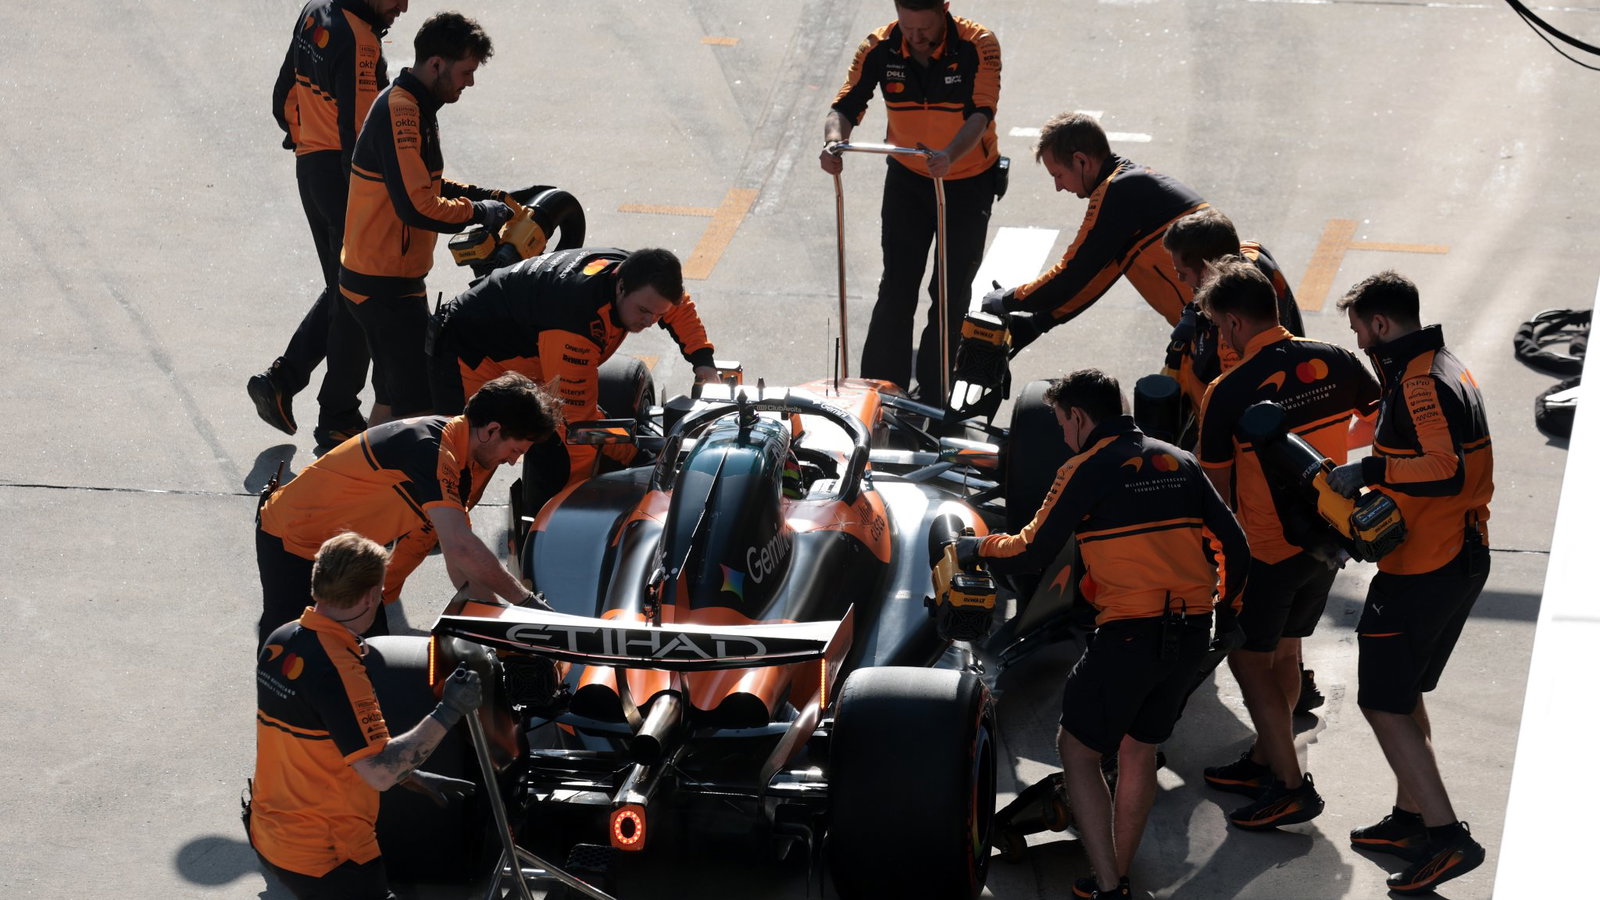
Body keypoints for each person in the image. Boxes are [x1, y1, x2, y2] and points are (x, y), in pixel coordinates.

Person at [954, 369, 1248, 900]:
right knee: (1139, 750)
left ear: (1079, 416)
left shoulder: (1085, 468)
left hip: (1129, 634)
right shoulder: (1178, 460)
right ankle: (1114, 876)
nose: (1063, 435)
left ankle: (1111, 886)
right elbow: (1235, 544)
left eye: (1061, 423)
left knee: (1077, 750)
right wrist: (1225, 616)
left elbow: (1032, 549)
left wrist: (978, 548)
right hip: (1191, 632)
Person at [1190, 260, 1380, 831]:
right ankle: (1264, 757)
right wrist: (1333, 454)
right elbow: (1382, 419)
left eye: (1217, 327)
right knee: (1288, 651)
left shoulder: (1229, 391)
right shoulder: (1337, 359)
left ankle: (1290, 787)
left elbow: (1214, 492)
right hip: (1326, 542)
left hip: (1266, 554)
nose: (1219, 338)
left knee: (1250, 662)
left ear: (1232, 322)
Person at [1325, 271, 1493, 895]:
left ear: (1381, 323)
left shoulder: (1421, 382)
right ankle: (1409, 818)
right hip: (1459, 554)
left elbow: (1444, 469)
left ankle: (1448, 839)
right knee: (1405, 693)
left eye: (1360, 332)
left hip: (1426, 565)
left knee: (1382, 703)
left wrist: (1370, 469)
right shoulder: (1449, 366)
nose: (1360, 344)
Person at [247, 532, 483, 900]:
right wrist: (449, 710)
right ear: (372, 596)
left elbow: (319, 741)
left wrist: (410, 773)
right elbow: (380, 773)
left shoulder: (281, 639)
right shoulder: (339, 669)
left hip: (272, 835)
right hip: (331, 856)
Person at [255, 372, 558, 647]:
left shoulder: (465, 464)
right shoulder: (431, 449)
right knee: (285, 657)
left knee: (369, 666)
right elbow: (461, 546)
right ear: (492, 430)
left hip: (347, 558)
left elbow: (461, 564)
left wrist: (503, 633)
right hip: (292, 541)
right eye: (515, 451)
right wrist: (526, 603)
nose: (512, 462)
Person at [427, 247, 717, 514]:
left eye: (658, 314)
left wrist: (703, 360)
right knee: (471, 461)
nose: (650, 321)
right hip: (469, 354)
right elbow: (580, 424)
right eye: (643, 311)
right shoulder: (576, 323)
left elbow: (678, 306)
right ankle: (434, 532)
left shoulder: (637, 275)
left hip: (529, 349)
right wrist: (639, 455)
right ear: (620, 286)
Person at [820, 0, 1002, 405]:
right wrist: (833, 142)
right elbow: (845, 106)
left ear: (945, 9)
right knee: (897, 285)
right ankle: (880, 392)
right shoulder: (879, 47)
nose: (916, 38)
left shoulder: (979, 44)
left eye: (925, 29)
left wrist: (949, 156)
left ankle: (936, 393)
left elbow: (981, 114)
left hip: (967, 179)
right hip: (908, 177)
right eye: (908, 28)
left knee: (950, 291)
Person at [339, 11, 513, 428]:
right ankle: (381, 470)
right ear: (436, 64)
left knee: (392, 401)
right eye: (466, 72)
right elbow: (416, 205)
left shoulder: (417, 105)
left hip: (388, 279)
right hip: (383, 286)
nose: (470, 82)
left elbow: (423, 181)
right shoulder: (402, 110)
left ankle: (365, 466)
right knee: (417, 410)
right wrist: (478, 212)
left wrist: (483, 195)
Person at [250, 0, 407, 452]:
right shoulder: (360, 42)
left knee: (343, 288)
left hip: (311, 168)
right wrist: (375, 197)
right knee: (361, 292)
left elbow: (283, 95)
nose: (403, 7)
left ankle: (284, 380)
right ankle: (336, 416)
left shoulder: (315, 10)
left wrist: (305, 141)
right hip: (345, 179)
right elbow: (361, 135)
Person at [981, 112, 1208, 357]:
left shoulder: (1117, 191)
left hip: (1218, 332)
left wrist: (1007, 299)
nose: (1058, 187)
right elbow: (1096, 275)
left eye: (1058, 175)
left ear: (1081, 161)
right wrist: (1038, 323)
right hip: (1216, 326)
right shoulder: (1132, 184)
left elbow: (1071, 273)